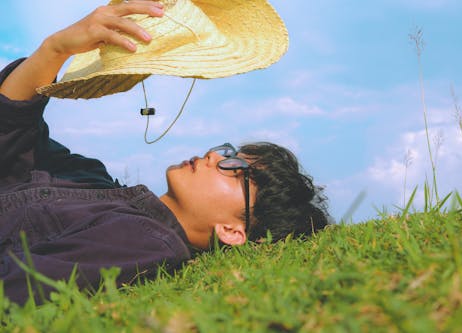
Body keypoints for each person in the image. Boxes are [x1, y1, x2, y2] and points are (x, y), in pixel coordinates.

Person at [0, 0, 329, 305]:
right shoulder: (92, 176)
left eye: (237, 168)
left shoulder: (146, 243)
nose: (215, 156)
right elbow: (13, 131)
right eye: (228, 151)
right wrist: (54, 49)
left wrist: (54, 48)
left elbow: (19, 288)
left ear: (231, 231)